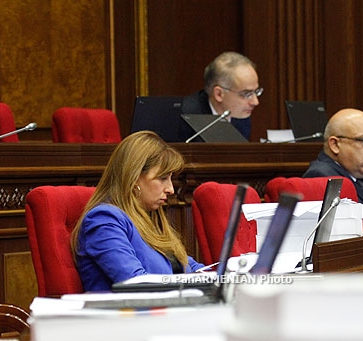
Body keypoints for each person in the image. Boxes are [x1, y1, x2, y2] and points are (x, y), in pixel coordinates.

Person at [70, 131, 204, 291]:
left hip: (166, 311)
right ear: (134, 178)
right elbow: (136, 283)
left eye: (170, 179)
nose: (171, 189)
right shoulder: (104, 220)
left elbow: (192, 268)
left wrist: (230, 274)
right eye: (163, 179)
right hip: (130, 314)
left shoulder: (149, 218)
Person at [181, 51, 262, 141]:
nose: (255, 102)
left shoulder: (241, 117)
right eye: (246, 94)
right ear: (219, 94)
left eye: (256, 91)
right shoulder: (186, 118)